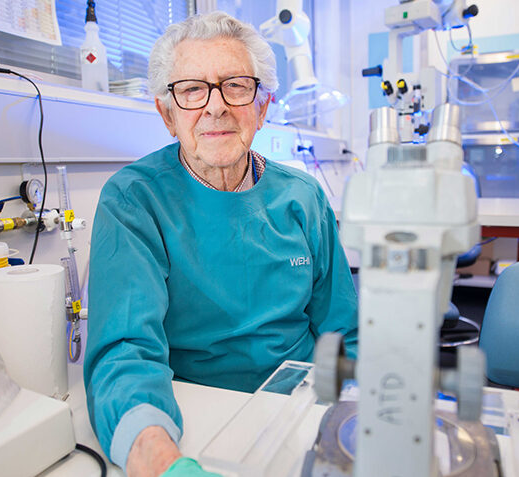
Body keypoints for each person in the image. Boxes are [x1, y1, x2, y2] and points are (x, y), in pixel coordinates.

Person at [84, 11, 358, 477]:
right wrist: (161, 459)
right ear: (167, 115)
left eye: (235, 85)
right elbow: (125, 352)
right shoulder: (134, 200)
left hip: (303, 412)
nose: (215, 107)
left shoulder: (303, 197)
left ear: (262, 106)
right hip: (191, 418)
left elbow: (345, 337)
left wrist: (351, 427)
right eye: (192, 90)